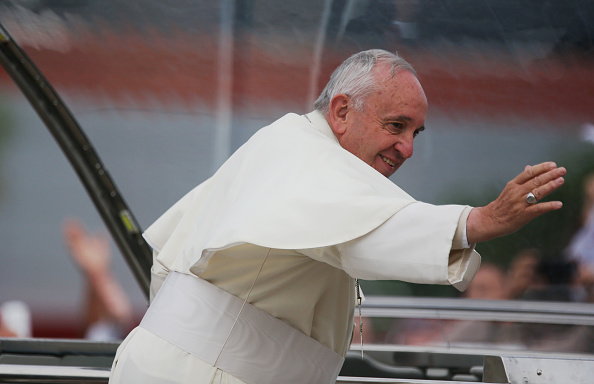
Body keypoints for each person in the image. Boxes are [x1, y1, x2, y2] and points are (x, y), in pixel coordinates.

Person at [108, 49, 566, 384]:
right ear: (342, 110)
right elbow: (371, 233)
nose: (407, 148)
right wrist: (478, 222)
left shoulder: (292, 147)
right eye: (396, 126)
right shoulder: (310, 161)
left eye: (415, 132)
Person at [63, 218, 134, 341]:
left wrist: (95, 272)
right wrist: (95, 272)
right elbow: (119, 315)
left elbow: (120, 315)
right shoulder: (99, 330)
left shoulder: (109, 328)